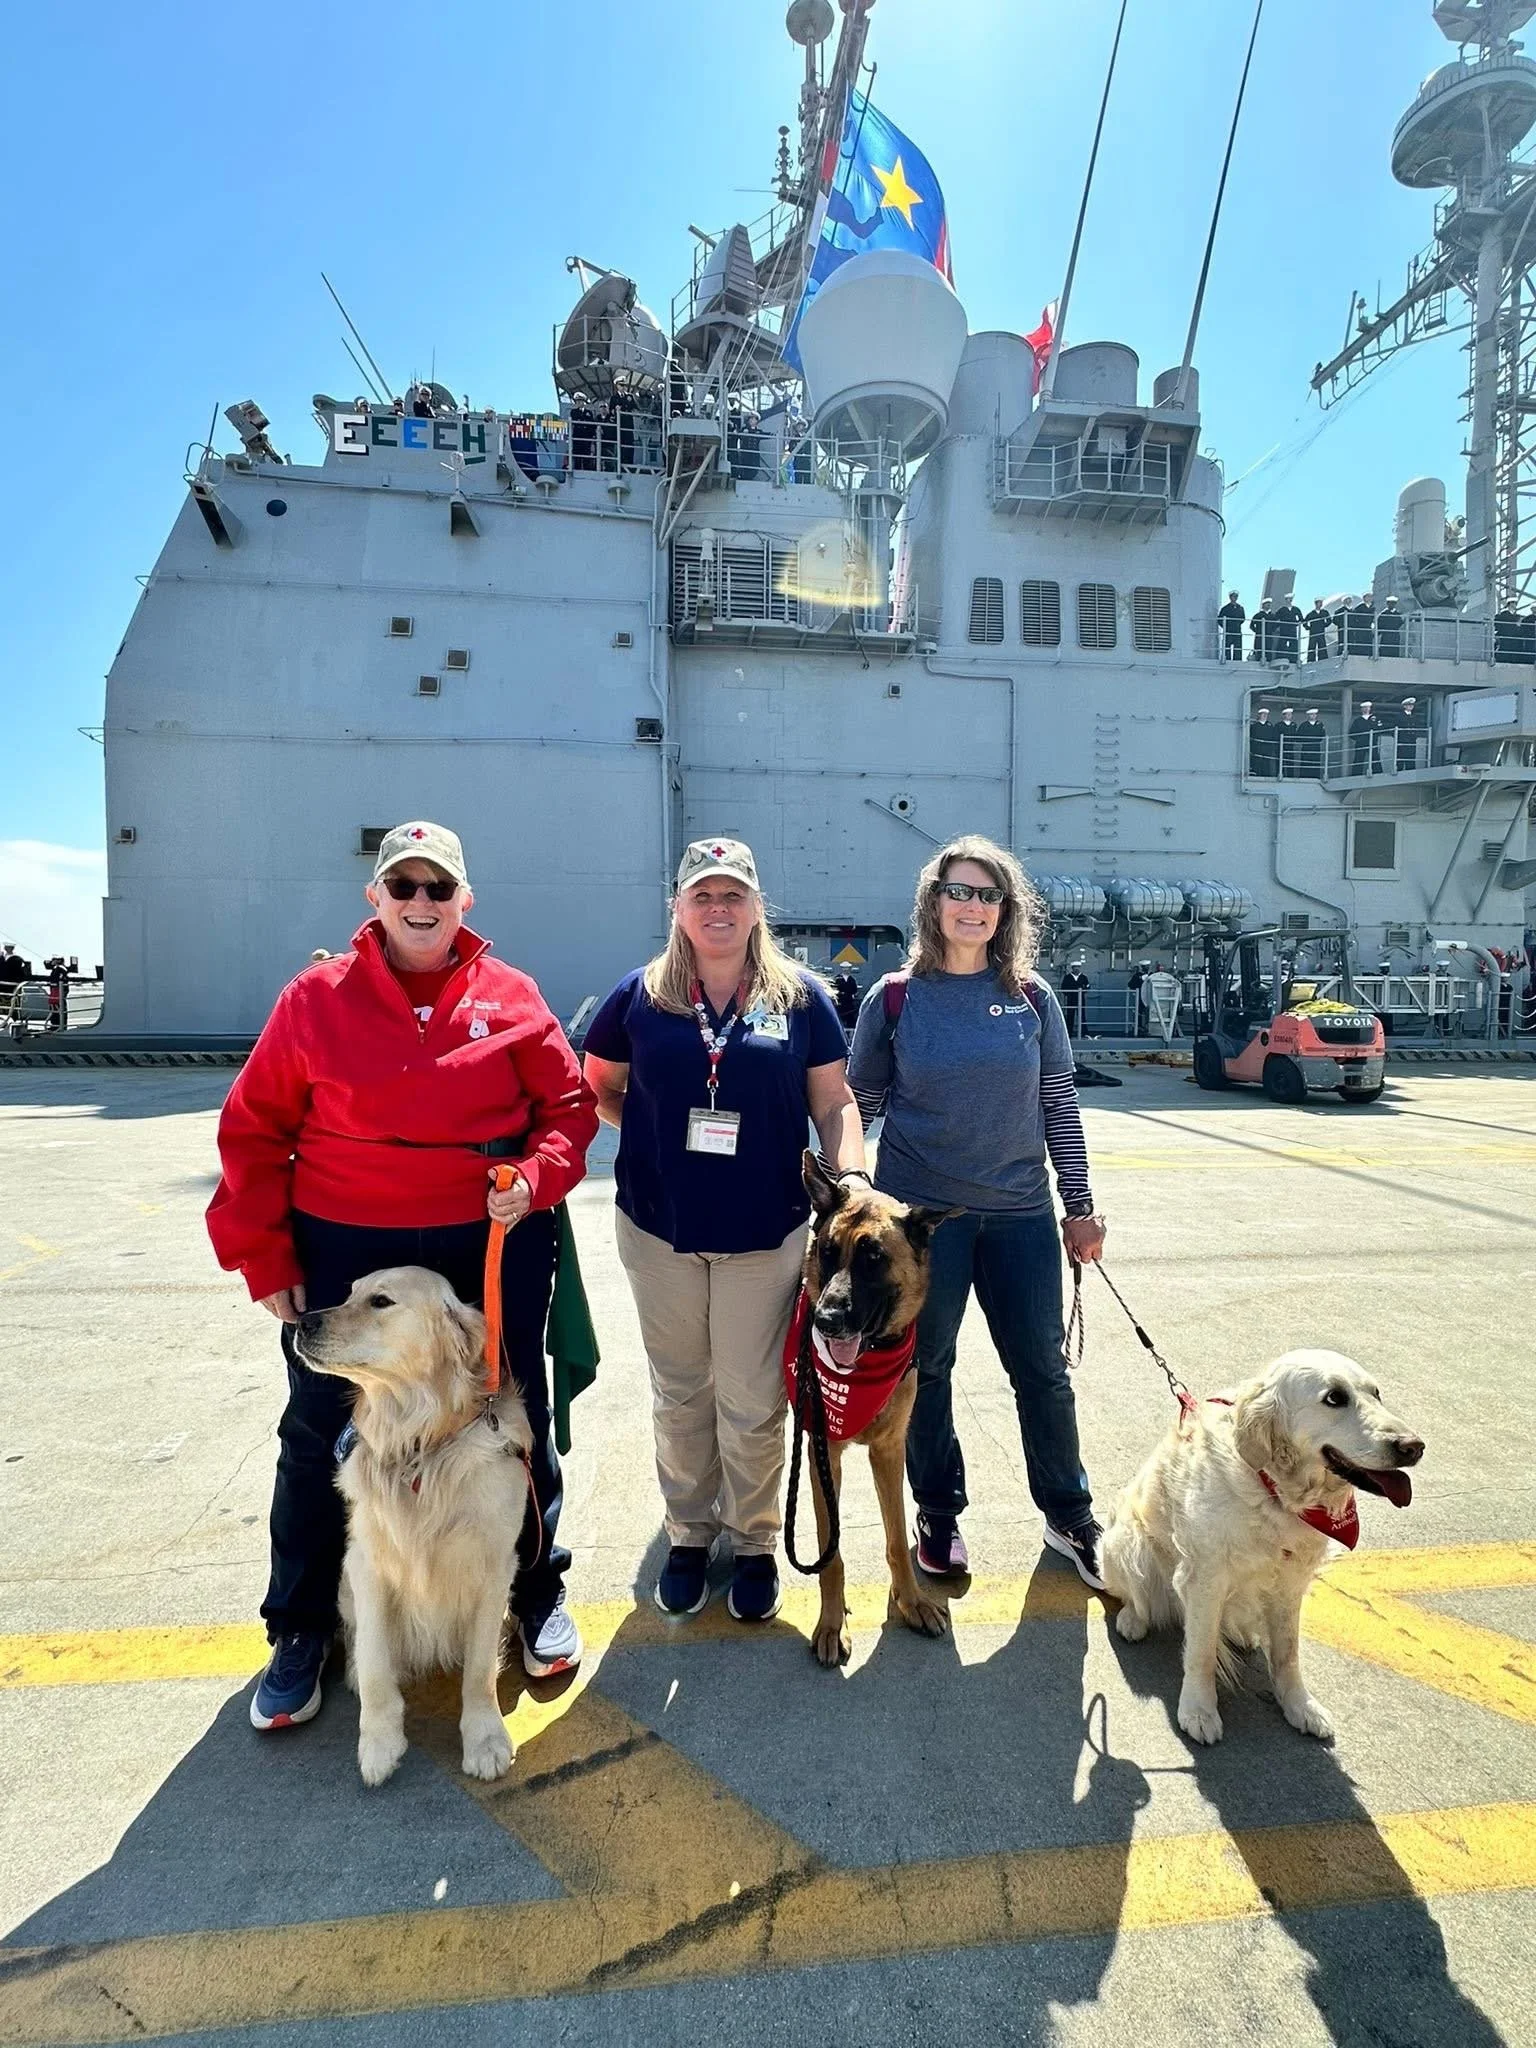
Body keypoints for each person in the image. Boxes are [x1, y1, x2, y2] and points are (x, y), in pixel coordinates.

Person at [206, 821, 598, 1732]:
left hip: (484, 1239)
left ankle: (533, 1592)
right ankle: (300, 1627)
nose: (420, 902)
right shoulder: (315, 999)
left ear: (465, 901)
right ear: (374, 899)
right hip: (346, 1246)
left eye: (438, 888)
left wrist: (535, 1178)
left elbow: (568, 1106)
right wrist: (265, 1255)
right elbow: (254, 1129)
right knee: (317, 1428)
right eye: (403, 886)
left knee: (510, 1419)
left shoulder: (511, 994)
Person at [582, 838, 865, 1624]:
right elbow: (600, 1084)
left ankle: (752, 1542)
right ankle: (687, 1534)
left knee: (750, 1398)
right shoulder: (638, 996)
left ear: (756, 908)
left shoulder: (801, 996)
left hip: (764, 1233)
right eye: (702, 895)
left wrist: (852, 1179)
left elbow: (834, 1104)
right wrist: (651, 1137)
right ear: (677, 907)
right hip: (659, 1230)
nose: (717, 909)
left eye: (732, 895)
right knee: (680, 1394)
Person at [847, 836, 1107, 1587]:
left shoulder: (1031, 997)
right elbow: (860, 1103)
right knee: (927, 1369)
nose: (973, 907)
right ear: (934, 903)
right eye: (959, 892)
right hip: (925, 1227)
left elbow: (1058, 1104)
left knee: (1043, 1373)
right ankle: (939, 1512)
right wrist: (846, 1187)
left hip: (1022, 1215)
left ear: (1005, 911)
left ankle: (1069, 1513)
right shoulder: (894, 997)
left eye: (988, 895)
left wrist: (1080, 1206)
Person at [1349, 699, 1382, 775]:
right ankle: (1356, 774)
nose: (1366, 709)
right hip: (1361, 743)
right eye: (1365, 707)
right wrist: (1360, 738)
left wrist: (1374, 736)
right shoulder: (1358, 720)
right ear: (1361, 709)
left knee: (1375, 758)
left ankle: (1378, 773)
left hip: (1372, 742)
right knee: (1358, 759)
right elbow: (1351, 733)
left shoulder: (1375, 719)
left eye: (1368, 707)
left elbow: (1380, 729)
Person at [1248, 704, 1280, 777]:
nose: (1265, 716)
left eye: (1266, 714)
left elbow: (1273, 736)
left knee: (1266, 765)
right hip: (1257, 749)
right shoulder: (1254, 726)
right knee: (1257, 764)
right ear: (1259, 715)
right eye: (1263, 714)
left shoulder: (1270, 725)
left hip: (1267, 749)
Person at [1061, 957, 1089, 1037]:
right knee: (1070, 1016)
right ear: (1072, 968)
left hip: (1081, 999)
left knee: (1082, 1016)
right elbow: (1063, 988)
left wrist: (1083, 991)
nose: (1076, 969)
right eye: (1075, 967)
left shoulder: (1083, 977)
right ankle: (1069, 1033)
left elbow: (1087, 986)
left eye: (1078, 967)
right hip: (1071, 999)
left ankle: (1084, 1033)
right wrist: (1069, 994)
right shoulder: (1067, 977)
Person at [1395, 695, 1425, 771]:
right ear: (1405, 706)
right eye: (1409, 705)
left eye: (1412, 705)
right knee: (1401, 758)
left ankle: (1411, 770)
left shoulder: (1414, 716)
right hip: (1402, 740)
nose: (1411, 706)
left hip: (1412, 740)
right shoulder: (1400, 716)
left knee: (1411, 758)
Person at [1298, 704, 1329, 777]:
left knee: (1315, 763)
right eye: (1311, 714)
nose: (1313, 716)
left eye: (1315, 714)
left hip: (1316, 747)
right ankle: (1304, 777)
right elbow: (1299, 736)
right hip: (1306, 748)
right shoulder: (1303, 725)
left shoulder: (1320, 724)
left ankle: (1316, 776)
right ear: (1308, 715)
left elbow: (1322, 735)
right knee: (1305, 763)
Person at [831, 963, 862, 1034]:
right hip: (840, 1003)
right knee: (839, 1019)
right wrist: (840, 994)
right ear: (842, 969)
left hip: (849, 1003)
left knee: (850, 1020)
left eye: (847, 969)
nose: (846, 970)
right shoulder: (837, 979)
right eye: (844, 968)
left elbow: (854, 990)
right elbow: (834, 989)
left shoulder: (851, 979)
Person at [1273, 597, 1304, 665]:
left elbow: (1301, 618)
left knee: (1293, 644)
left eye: (1290, 599)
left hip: (1292, 629)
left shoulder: (1296, 609)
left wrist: (1296, 623)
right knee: (1282, 643)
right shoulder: (1282, 610)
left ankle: (1294, 658)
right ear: (1286, 600)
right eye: (1288, 599)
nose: (1289, 600)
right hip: (1284, 629)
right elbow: (1275, 618)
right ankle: (1280, 657)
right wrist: (1278, 625)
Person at [1218, 592, 1245, 661]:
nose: (1235, 598)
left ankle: (1238, 659)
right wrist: (1226, 626)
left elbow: (1243, 618)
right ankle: (1227, 658)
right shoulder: (1225, 608)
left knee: (1238, 647)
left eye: (1236, 596)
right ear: (1230, 597)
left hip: (1237, 630)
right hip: (1228, 630)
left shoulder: (1240, 608)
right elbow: (1220, 620)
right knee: (1227, 646)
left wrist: (1237, 623)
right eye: (1233, 596)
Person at [1276, 704, 1301, 778]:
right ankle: (1281, 775)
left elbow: (1295, 736)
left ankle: (1291, 777)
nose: (1290, 715)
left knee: (1290, 763)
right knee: (1281, 763)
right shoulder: (1279, 725)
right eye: (1288, 714)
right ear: (1284, 715)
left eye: (1291, 714)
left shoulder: (1294, 725)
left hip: (1290, 747)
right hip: (1281, 747)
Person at [1250, 597, 1275, 663]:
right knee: (1259, 649)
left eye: (1269, 603)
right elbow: (1251, 625)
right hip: (1260, 637)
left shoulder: (1272, 616)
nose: (1268, 605)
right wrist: (1257, 631)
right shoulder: (1258, 615)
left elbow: (1276, 624)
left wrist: (1272, 630)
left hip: (1269, 636)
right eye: (1267, 603)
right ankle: (1258, 660)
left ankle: (1269, 661)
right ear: (1263, 605)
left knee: (1268, 649)